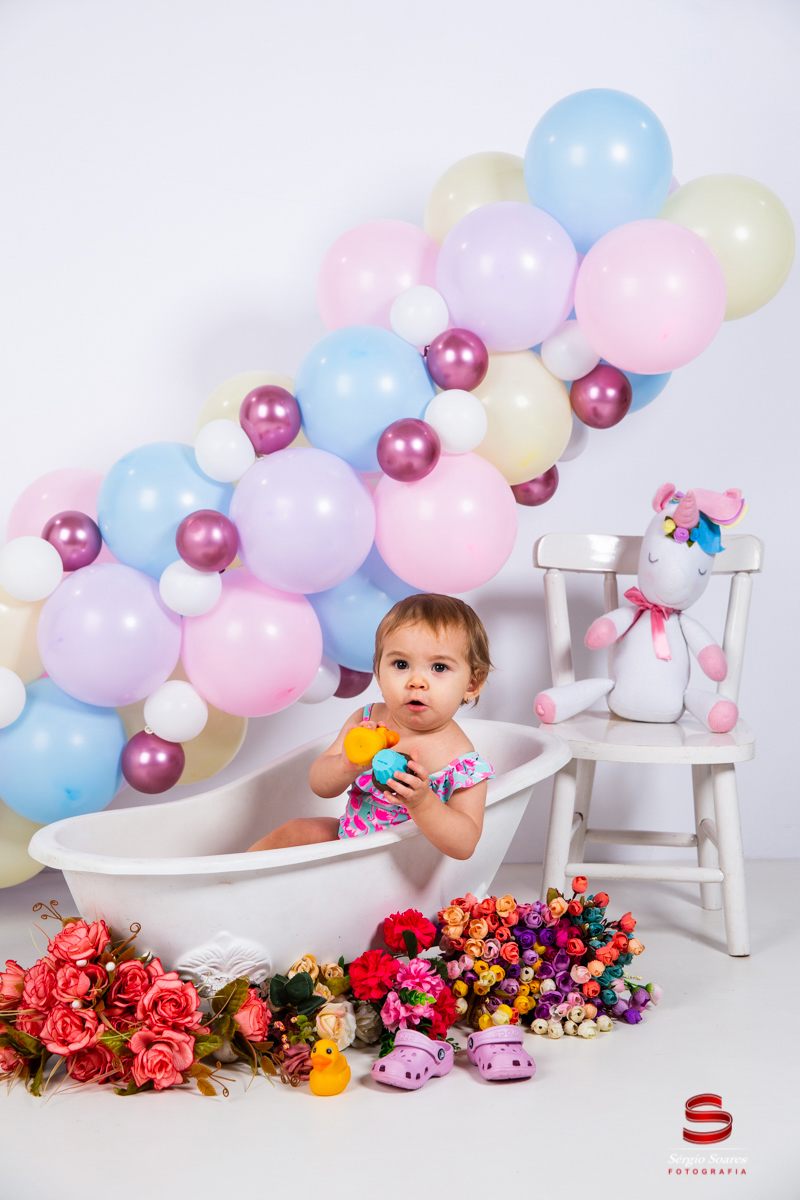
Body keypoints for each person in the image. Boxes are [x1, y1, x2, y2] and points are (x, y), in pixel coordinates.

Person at [247, 593, 494, 860]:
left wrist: (423, 802)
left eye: (439, 667)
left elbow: (464, 845)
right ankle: (231, 877)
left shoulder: (462, 761)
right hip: (349, 840)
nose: (416, 681)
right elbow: (319, 785)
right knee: (294, 832)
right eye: (401, 664)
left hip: (407, 863)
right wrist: (345, 765)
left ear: (472, 684)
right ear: (378, 671)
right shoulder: (367, 720)